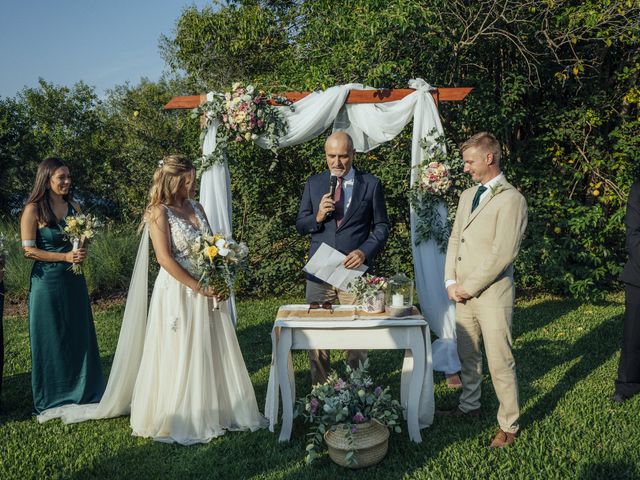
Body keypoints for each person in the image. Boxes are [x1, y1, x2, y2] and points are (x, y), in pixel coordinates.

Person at [38, 155, 265, 445]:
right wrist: (198, 286)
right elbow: (165, 259)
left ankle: (219, 407)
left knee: (210, 345)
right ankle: (181, 413)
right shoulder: (158, 212)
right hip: (179, 291)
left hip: (207, 287)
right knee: (181, 347)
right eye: (187, 181)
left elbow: (213, 244)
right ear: (173, 181)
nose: (192, 185)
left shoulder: (198, 207)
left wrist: (220, 272)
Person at [440, 132, 528, 448]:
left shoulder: (512, 199)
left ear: (489, 158)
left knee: (499, 361)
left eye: (470, 162)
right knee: (468, 355)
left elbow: (502, 254)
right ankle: (469, 407)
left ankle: (509, 425)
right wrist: (450, 282)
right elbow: (454, 240)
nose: (466, 169)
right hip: (461, 293)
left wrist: (469, 287)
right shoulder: (467, 196)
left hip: (492, 295)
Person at [296, 131, 390, 385]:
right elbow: (300, 225)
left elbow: (381, 226)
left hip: (354, 273)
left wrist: (364, 251)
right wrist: (316, 218)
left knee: (357, 334)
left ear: (353, 155)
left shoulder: (370, 184)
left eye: (343, 156)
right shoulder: (314, 184)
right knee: (316, 336)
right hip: (320, 272)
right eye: (331, 156)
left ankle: (357, 390)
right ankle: (321, 393)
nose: (336, 163)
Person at [20, 157, 105, 413]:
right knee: (51, 335)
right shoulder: (33, 210)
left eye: (68, 177)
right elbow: (29, 251)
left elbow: (81, 242)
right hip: (46, 282)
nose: (67, 182)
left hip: (74, 280)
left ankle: (83, 389)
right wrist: (64, 256)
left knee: (78, 332)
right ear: (47, 180)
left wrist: (82, 246)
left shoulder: (75, 208)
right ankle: (53, 393)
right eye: (61, 178)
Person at [612, 180, 640, 403]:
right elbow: (634, 234)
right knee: (633, 333)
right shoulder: (638, 187)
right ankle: (627, 385)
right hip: (639, 274)